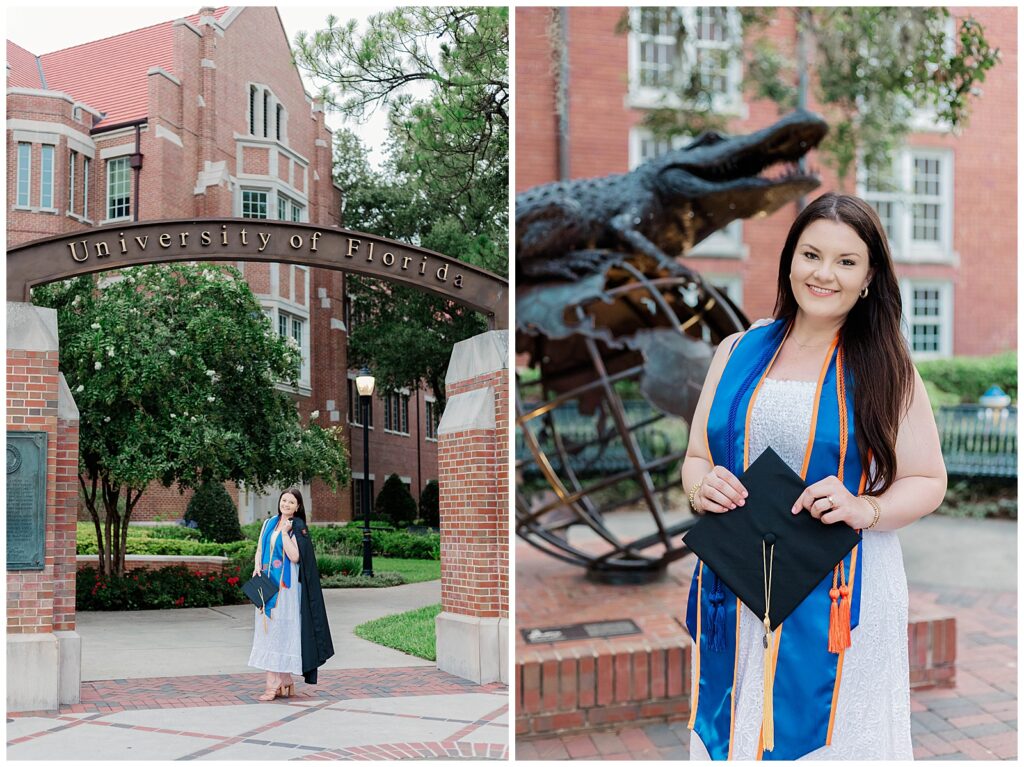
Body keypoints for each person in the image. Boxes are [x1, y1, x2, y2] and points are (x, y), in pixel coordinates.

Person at [680, 193, 947, 760]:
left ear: (870, 276)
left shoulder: (885, 367)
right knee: (741, 733)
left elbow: (928, 479)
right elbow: (697, 457)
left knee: (831, 741)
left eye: (847, 262)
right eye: (811, 254)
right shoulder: (738, 350)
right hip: (743, 580)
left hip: (840, 595)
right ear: (790, 261)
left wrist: (865, 507)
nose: (824, 274)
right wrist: (701, 487)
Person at [249, 488, 334, 700]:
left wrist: (286, 533)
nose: (286, 504)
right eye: (284, 500)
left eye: (291, 502)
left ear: (298, 507)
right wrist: (257, 566)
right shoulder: (268, 524)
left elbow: (295, 557)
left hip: (285, 589)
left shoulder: (297, 526)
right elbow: (260, 549)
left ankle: (273, 683)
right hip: (266, 585)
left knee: (281, 630)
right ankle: (285, 680)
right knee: (268, 631)